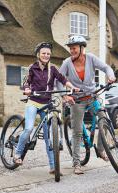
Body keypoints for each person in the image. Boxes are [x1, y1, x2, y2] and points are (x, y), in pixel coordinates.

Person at [14, 42, 78, 175]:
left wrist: (71, 87)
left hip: (46, 104)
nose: (46, 55)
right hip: (33, 101)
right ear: (38, 54)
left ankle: (53, 167)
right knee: (29, 128)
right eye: (43, 53)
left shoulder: (53, 69)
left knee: (49, 136)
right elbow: (26, 81)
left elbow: (62, 79)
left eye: (48, 53)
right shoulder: (32, 68)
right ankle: (17, 154)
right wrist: (27, 89)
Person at [57, 35, 116, 175]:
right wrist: (65, 96)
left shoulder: (90, 58)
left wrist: (111, 75)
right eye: (70, 48)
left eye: (74, 48)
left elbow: (106, 67)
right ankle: (77, 163)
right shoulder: (66, 63)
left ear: (82, 48)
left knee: (104, 119)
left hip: (92, 97)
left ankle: (101, 149)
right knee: (77, 132)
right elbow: (58, 80)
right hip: (76, 100)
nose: (72, 50)